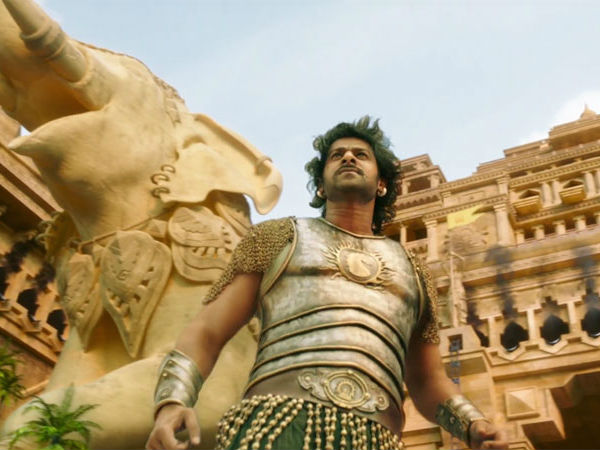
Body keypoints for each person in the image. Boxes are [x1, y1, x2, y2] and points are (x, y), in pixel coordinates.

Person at [146, 116, 508, 450]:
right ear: (320, 185)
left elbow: (428, 381)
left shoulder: (414, 272)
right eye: (337, 155)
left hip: (377, 439)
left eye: (361, 155)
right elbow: (207, 331)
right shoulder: (278, 238)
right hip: (276, 428)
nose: (348, 157)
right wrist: (172, 401)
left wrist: (473, 423)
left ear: (382, 183)